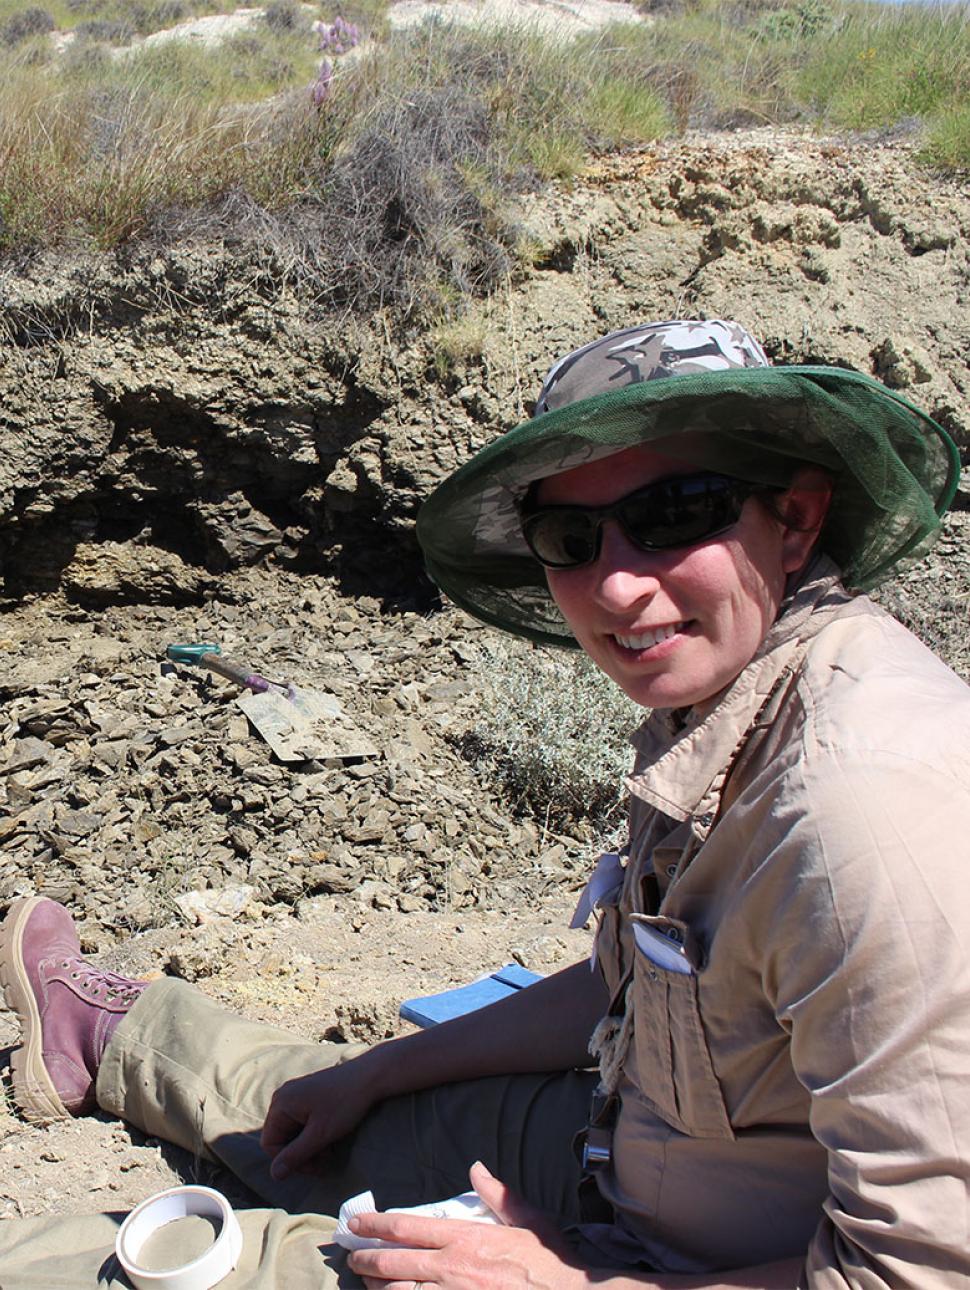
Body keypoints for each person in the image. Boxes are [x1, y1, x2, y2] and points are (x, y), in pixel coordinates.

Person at [0, 318, 967, 1289]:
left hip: (668, 1263)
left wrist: (564, 1284)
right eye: (571, 537)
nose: (620, 584)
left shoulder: (863, 815)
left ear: (795, 518)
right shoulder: (734, 699)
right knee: (323, 1109)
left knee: (174, 1266)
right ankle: (107, 1034)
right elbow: (640, 981)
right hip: (619, 1145)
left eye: (677, 512)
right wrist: (372, 1072)